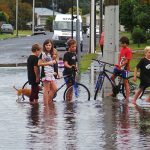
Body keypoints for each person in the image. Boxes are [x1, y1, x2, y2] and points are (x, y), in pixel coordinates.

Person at [110, 36, 132, 101]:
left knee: (126, 83)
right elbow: (121, 58)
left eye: (122, 43)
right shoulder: (122, 49)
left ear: (126, 43)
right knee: (112, 78)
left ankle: (127, 98)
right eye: (121, 43)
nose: (121, 44)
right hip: (119, 67)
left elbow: (127, 61)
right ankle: (114, 91)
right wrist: (118, 65)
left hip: (125, 69)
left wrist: (121, 65)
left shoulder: (128, 50)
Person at [38, 39, 58, 104]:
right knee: (46, 89)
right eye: (47, 45)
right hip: (45, 73)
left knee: (55, 89)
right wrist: (49, 63)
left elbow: (54, 63)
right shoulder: (42, 54)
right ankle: (46, 105)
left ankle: (48, 102)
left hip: (51, 74)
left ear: (52, 46)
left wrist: (54, 71)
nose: (48, 46)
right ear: (44, 46)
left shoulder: (51, 53)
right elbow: (39, 64)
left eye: (49, 45)